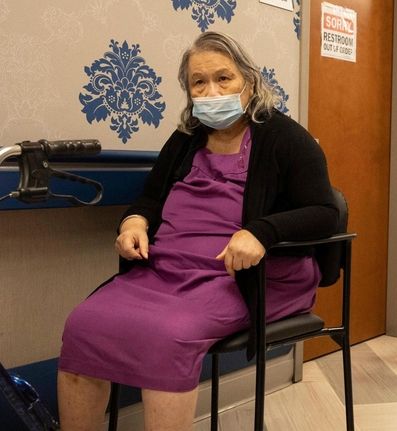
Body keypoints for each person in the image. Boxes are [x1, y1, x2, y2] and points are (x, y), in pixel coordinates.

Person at [57, 31, 339, 430]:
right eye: (198, 82)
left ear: (250, 81)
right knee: (83, 325)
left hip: (248, 275)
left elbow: (326, 212)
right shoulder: (186, 139)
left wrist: (262, 232)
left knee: (167, 336)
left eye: (224, 78)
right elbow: (150, 200)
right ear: (188, 91)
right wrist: (133, 223)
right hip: (168, 269)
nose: (211, 91)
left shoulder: (285, 138)